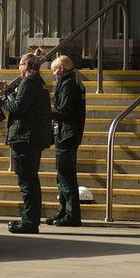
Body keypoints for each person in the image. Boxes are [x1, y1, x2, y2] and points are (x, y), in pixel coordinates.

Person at [0, 52, 52, 234]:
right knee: (31, 179)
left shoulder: (29, 82)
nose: (18, 68)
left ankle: (29, 221)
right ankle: (31, 219)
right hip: (33, 136)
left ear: (26, 65)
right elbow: (22, 101)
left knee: (27, 181)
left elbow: (18, 107)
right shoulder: (38, 82)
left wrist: (0, 102)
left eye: (19, 64)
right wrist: (8, 92)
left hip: (25, 136)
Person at [47, 55, 86, 227]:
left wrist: (43, 109)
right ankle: (63, 211)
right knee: (62, 175)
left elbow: (63, 111)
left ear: (62, 68)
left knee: (66, 175)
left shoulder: (68, 84)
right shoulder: (69, 83)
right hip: (65, 133)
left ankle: (71, 214)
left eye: (55, 69)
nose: (54, 73)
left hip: (67, 133)